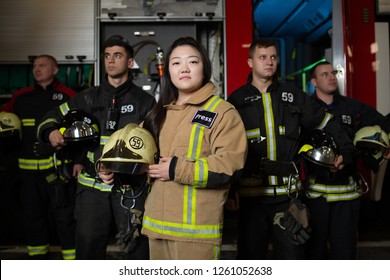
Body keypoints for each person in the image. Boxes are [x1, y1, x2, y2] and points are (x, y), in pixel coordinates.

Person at [227, 39, 354, 260]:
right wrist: (229, 190)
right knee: (250, 259)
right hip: (251, 201)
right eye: (263, 57)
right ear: (250, 61)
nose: (269, 62)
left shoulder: (293, 95)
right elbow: (227, 148)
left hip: (288, 199)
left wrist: (346, 151)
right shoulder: (236, 100)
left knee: (292, 261)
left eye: (274, 57)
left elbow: (327, 122)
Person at [37, 35, 156, 260]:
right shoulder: (86, 98)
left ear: (130, 63)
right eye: (107, 56)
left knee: (136, 250)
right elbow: (51, 116)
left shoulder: (145, 101)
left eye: (118, 55)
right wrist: (50, 130)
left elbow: (157, 144)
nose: (111, 60)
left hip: (130, 189)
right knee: (88, 251)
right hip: (91, 189)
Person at [135, 36, 247, 260]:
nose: (184, 68)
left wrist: (176, 169)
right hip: (156, 228)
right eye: (176, 63)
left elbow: (230, 165)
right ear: (168, 71)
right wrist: (111, 166)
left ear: (204, 68)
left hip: (196, 235)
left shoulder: (222, 112)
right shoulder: (158, 114)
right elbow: (133, 150)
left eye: (193, 62)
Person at [302, 61, 390, 259]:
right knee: (313, 254)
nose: (331, 77)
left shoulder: (352, 107)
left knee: (345, 255)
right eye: (324, 74)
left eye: (333, 73)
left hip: (347, 196)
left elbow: (384, 123)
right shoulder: (306, 109)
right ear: (314, 82)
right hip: (316, 197)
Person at [1, 55, 77, 259]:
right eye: (35, 66)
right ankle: (38, 261)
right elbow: (4, 120)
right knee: (32, 217)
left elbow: (78, 131)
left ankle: (72, 262)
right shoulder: (21, 97)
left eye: (42, 65)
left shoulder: (67, 96)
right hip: (27, 173)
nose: (37, 69)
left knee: (65, 217)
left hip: (57, 171)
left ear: (54, 70)